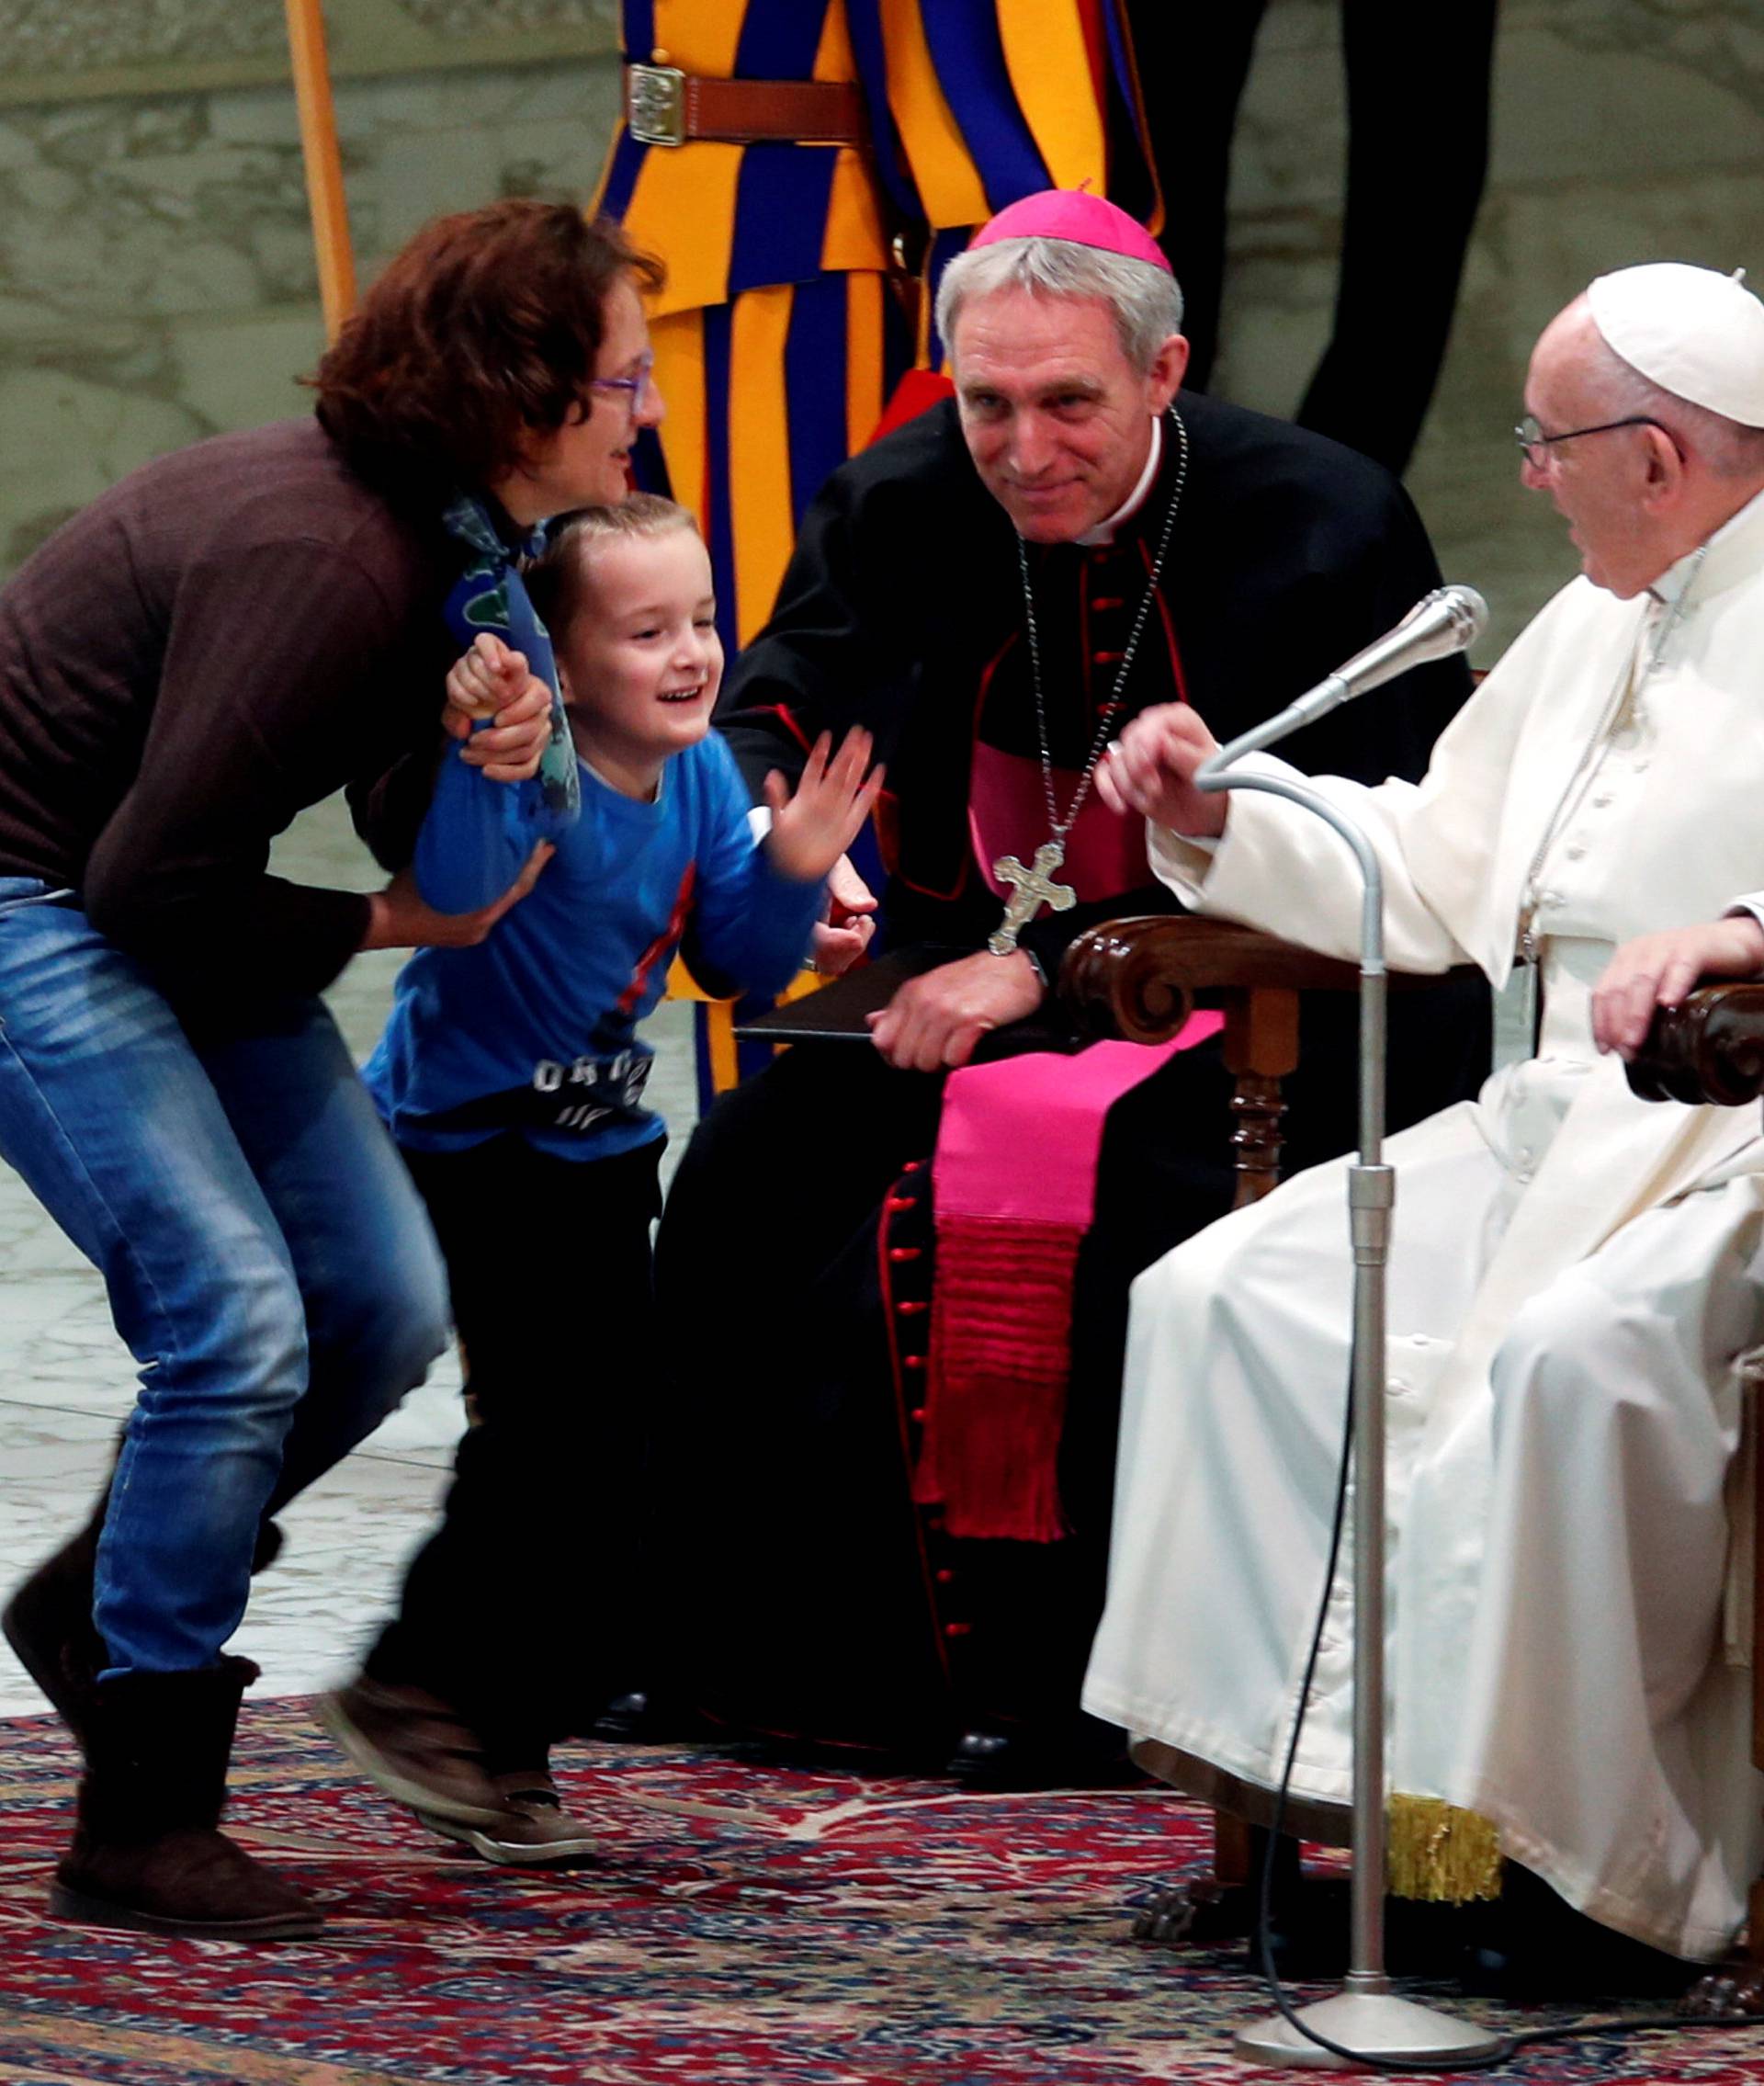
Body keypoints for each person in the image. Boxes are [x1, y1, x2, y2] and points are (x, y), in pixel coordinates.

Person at [649, 187, 1488, 1779]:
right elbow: (775, 697)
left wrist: (1041, 973)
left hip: (1272, 1001)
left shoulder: (1326, 517)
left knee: (1086, 1213)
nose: (1022, 449)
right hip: (970, 975)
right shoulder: (906, 496)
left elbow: (1401, 857)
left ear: (1167, 373)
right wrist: (777, 827)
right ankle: (760, 1663)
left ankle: (1072, 1684)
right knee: (747, 1183)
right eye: (988, 402)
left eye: (1068, 403)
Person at [1083, 260, 1764, 1988]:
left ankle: (1568, 1883)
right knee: (1227, 1300)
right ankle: (1353, 1833)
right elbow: (1434, 861)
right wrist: (1221, 808)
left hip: (1728, 1139)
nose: (1529, 473)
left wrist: (1742, 937)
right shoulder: (1600, 613)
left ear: (1663, 457)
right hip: (1546, 1123)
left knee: (1559, 1372)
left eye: (1549, 443)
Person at [0, 199, 664, 1942]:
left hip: (144, 891)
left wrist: (487, 752)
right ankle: (142, 1816)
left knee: (374, 1301)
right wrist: (384, 921)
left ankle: (104, 1603)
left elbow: (370, 796)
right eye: (622, 378)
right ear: (520, 396)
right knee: (236, 1320)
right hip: (33, 896)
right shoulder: (331, 549)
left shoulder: (456, 539)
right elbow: (156, 884)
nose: (644, 412)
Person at [322, 498, 879, 1865]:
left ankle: (503, 1735)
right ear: (563, 668)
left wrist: (797, 866)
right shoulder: (540, 769)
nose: (694, 655)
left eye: (703, 620)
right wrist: (488, 753)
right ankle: (410, 1679)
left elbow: (739, 968)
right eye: (647, 632)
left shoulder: (695, 779)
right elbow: (452, 889)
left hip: (598, 1141)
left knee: (615, 1445)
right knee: (544, 1431)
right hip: (473, 1139)